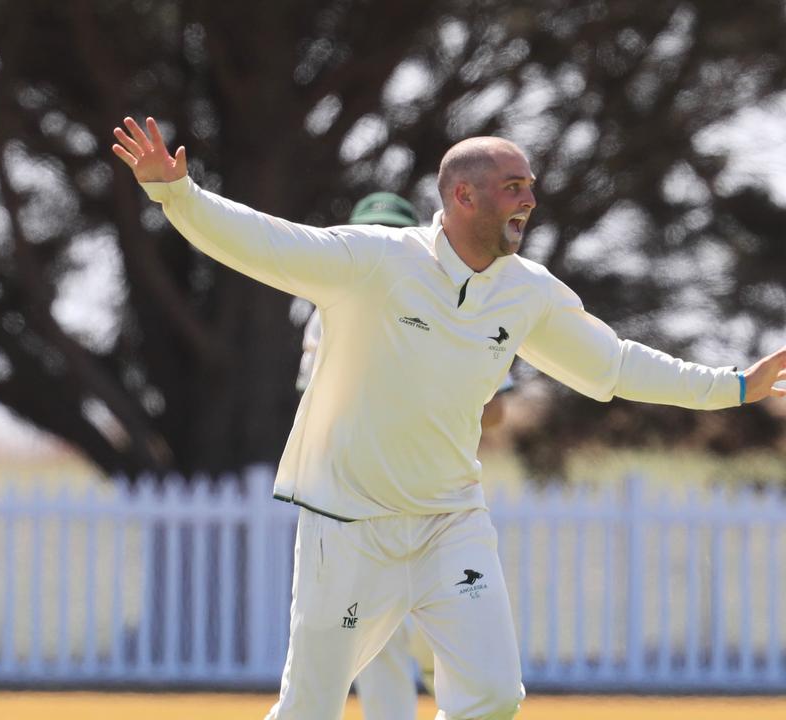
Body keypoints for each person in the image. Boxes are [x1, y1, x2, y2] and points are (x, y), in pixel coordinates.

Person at [111, 116, 786, 720]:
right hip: (348, 529)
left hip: (450, 523)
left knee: (493, 695)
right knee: (310, 709)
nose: (530, 200)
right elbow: (264, 244)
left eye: (530, 186)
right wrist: (177, 195)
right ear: (464, 196)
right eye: (514, 186)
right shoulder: (377, 261)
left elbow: (613, 365)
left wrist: (731, 387)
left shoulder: (527, 293)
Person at [297, 192, 515, 720]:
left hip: (441, 509)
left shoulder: (462, 306)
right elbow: (321, 409)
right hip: (359, 512)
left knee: (480, 676)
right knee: (361, 657)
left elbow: (494, 414)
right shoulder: (330, 314)